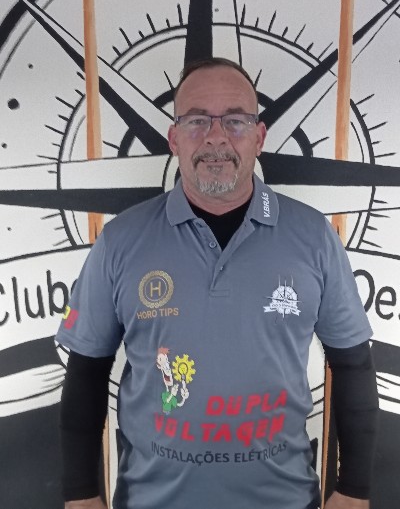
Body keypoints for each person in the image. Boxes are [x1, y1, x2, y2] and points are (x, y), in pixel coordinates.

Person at [57, 57, 378, 509]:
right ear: (173, 138)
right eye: (196, 120)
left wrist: (355, 489)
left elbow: (353, 363)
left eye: (235, 120)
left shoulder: (314, 237)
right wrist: (80, 495)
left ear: (259, 137)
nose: (215, 136)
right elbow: (86, 371)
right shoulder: (119, 241)